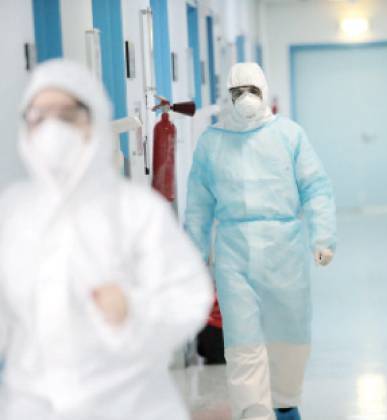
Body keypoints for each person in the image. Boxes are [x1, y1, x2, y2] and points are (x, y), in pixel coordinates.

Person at [0, 59, 212, 420]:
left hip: (131, 404)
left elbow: (188, 297)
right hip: (33, 403)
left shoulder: (135, 212)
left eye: (67, 114)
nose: (51, 128)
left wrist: (132, 309)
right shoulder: (13, 213)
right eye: (38, 116)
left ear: (94, 119)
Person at [185, 62, 336, 420]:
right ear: (228, 96)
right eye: (237, 93)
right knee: (242, 339)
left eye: (252, 91)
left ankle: (285, 401)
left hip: (285, 246)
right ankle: (253, 410)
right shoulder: (212, 142)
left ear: (264, 92)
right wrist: (193, 255)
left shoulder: (289, 135)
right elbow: (198, 204)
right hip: (233, 251)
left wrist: (323, 237)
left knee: (290, 333)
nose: (245, 99)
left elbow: (316, 187)